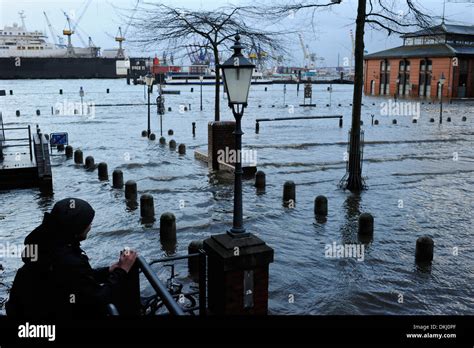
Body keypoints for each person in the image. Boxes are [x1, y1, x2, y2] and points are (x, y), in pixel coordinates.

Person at [6, 198, 139, 318]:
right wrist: (122, 270)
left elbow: (73, 279)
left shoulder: (46, 245)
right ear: (76, 230)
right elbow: (99, 298)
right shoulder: (67, 260)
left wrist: (108, 271)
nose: (90, 226)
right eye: (88, 223)